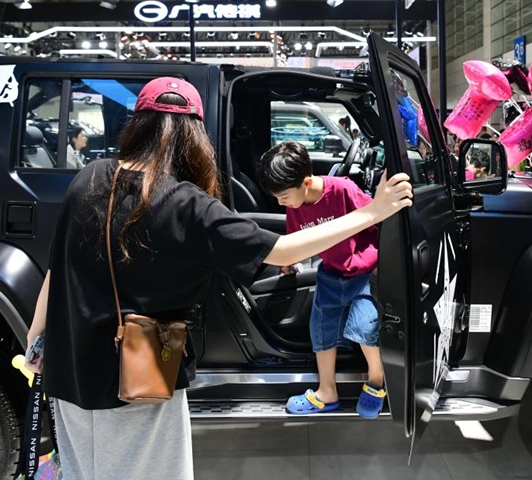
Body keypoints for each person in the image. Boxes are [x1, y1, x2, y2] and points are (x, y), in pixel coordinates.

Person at [24, 78, 413, 479]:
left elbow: (58, 268)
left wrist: (36, 340)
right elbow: (280, 251)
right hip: (138, 378)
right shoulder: (185, 203)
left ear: (137, 123)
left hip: (69, 370)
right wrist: (373, 213)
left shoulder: (88, 177)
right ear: (194, 136)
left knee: (79, 470)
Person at [257, 141, 389, 418]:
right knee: (321, 330)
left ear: (306, 182)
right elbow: (297, 239)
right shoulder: (295, 204)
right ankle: (327, 391)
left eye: (283, 197)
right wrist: (290, 260)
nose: (281, 204)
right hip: (330, 272)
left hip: (364, 272)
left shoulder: (343, 190)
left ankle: (377, 380)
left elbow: (377, 218)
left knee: (365, 329)